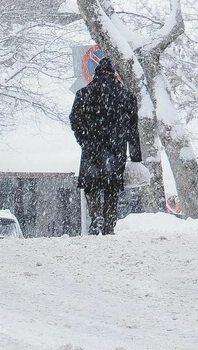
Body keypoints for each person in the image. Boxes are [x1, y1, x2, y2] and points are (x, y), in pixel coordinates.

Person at [69, 59, 142, 236]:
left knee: (91, 185)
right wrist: (135, 156)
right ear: (114, 75)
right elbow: (133, 129)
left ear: (96, 74)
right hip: (116, 149)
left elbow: (74, 120)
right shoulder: (126, 96)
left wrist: (83, 138)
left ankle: (96, 217)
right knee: (112, 187)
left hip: (91, 148)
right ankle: (109, 223)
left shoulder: (83, 94)